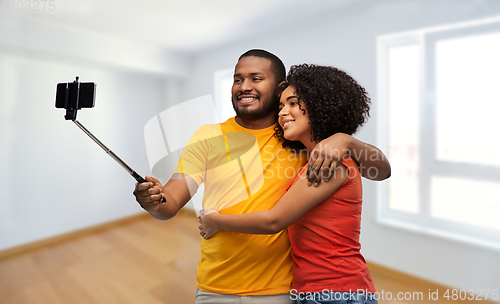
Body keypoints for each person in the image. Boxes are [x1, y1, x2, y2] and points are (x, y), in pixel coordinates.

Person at [133, 50, 390, 303]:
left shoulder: (304, 143)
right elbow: (169, 204)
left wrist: (345, 141)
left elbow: (380, 171)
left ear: (279, 87)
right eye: (237, 79)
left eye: (256, 78)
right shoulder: (209, 137)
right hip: (217, 287)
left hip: (284, 290)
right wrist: (154, 200)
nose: (244, 86)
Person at [198, 64, 379, 304]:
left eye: (293, 103)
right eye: (281, 106)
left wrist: (214, 220)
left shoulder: (328, 164)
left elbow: (274, 220)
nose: (283, 112)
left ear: (320, 105)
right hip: (317, 290)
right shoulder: (313, 159)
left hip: (337, 290)